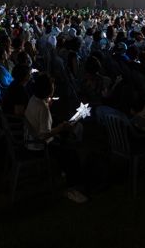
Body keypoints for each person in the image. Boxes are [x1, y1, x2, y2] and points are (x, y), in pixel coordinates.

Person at [24, 73, 87, 204]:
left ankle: (67, 173)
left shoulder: (33, 100)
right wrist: (60, 128)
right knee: (71, 154)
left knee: (65, 142)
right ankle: (73, 188)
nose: (54, 88)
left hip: (30, 141)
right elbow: (44, 134)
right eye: (52, 87)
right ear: (47, 90)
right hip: (40, 146)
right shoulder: (42, 108)